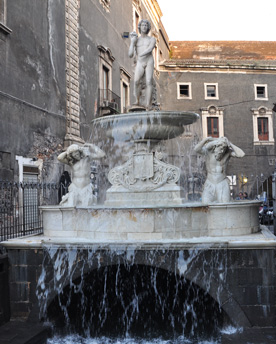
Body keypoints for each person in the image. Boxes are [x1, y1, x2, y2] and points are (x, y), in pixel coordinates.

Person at [194, 136, 245, 203]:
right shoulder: (208, 152)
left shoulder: (227, 153)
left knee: (224, 204)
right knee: (205, 204)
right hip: (210, 183)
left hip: (222, 183)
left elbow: (241, 154)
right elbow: (196, 149)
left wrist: (229, 143)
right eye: (220, 149)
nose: (221, 151)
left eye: (223, 149)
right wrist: (206, 140)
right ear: (215, 147)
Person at [128, 19, 156, 109]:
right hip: (140, 62)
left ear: (148, 28)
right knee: (136, 81)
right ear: (139, 27)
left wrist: (140, 54)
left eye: (146, 25)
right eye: (143, 25)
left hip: (149, 61)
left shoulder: (152, 39)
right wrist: (132, 42)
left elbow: (150, 49)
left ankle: (148, 104)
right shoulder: (136, 40)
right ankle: (137, 100)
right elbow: (130, 54)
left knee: (148, 81)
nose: (144, 27)